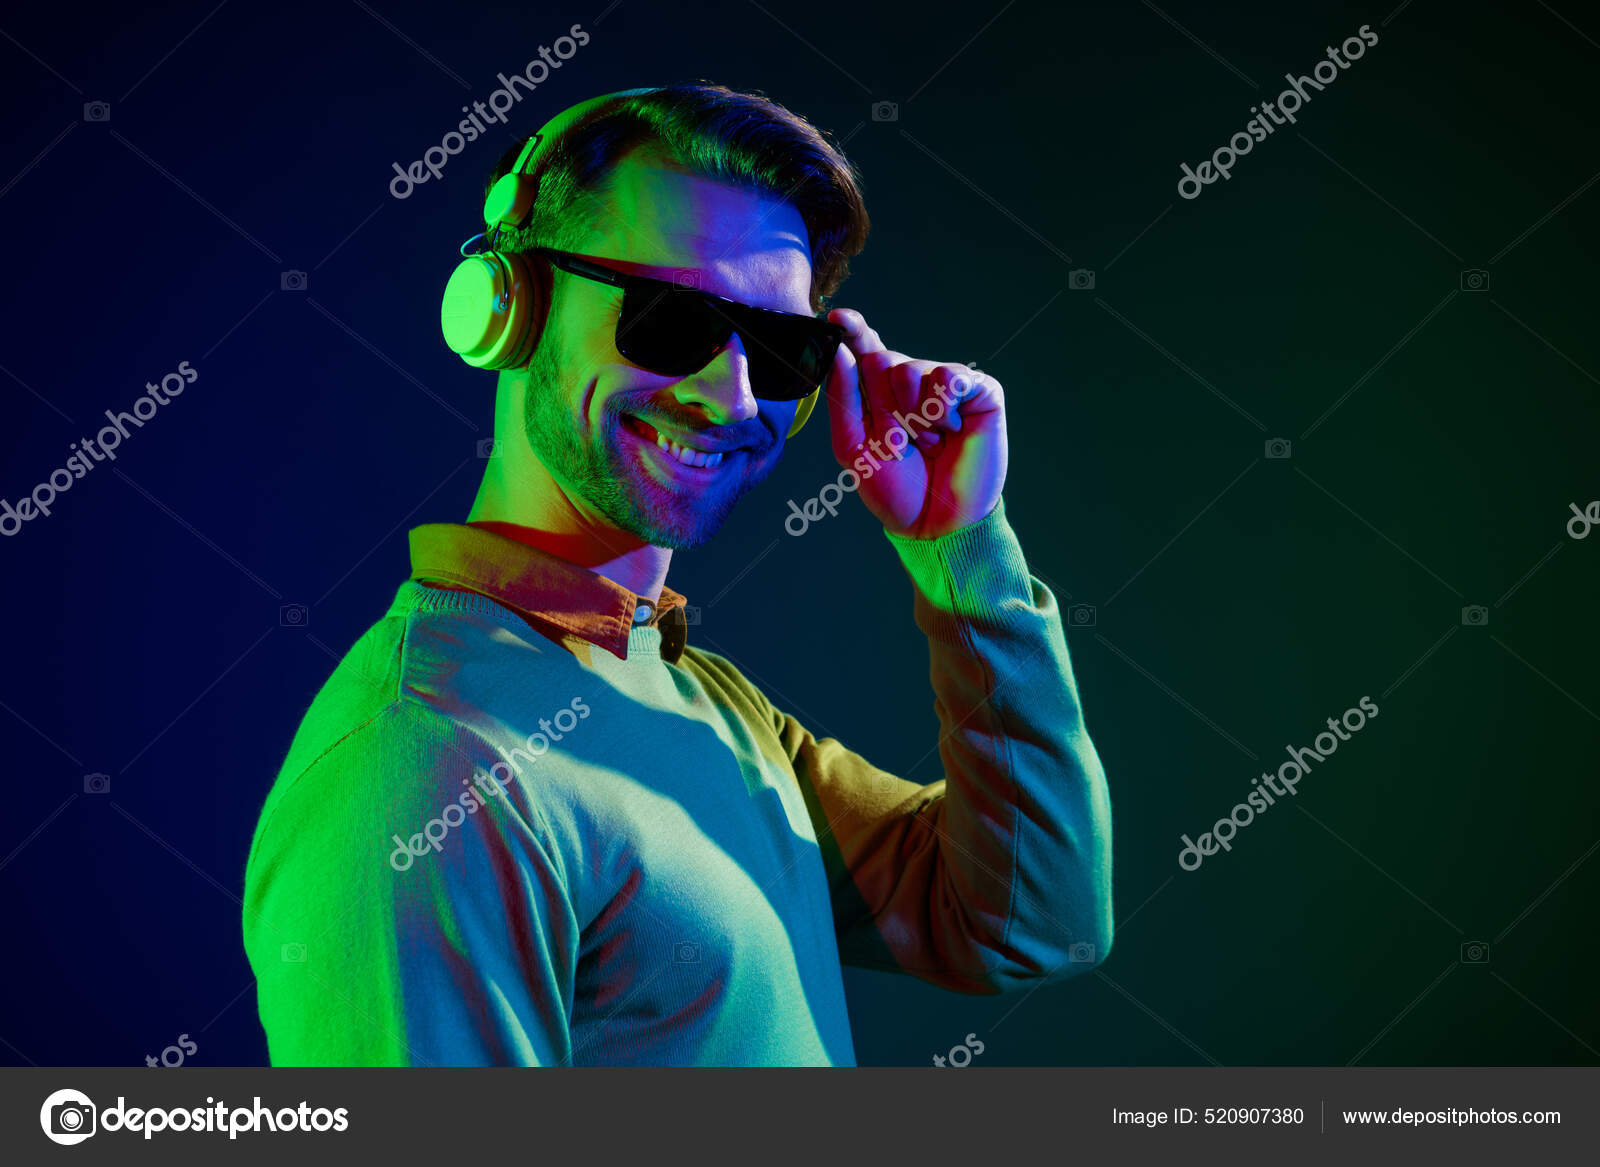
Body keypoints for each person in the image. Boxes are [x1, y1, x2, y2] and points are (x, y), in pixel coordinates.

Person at [242, 82, 1113, 1066]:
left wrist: (959, 547)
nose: (730, 395)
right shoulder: (421, 765)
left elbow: (1027, 921)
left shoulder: (689, 691)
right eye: (666, 320)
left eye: (783, 348)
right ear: (510, 307)